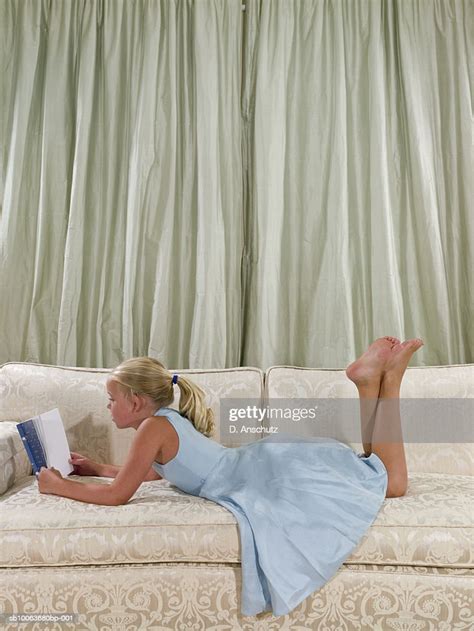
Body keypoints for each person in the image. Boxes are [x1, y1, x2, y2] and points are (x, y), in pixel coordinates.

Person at [38, 336, 423, 616]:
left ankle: (390, 383)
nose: (108, 408)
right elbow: (147, 477)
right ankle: (371, 383)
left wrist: (60, 486)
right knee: (373, 472)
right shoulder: (164, 421)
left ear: (135, 402)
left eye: (111, 400)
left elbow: (120, 495)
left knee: (391, 482)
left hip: (257, 475)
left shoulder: (151, 429)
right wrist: (96, 469)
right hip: (257, 466)